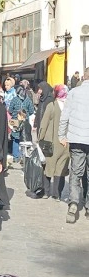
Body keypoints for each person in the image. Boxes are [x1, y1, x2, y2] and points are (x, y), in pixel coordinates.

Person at [59, 67, 89, 223]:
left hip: (77, 138)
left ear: (83, 77)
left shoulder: (73, 93)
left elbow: (65, 116)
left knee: (75, 173)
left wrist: (61, 135)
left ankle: (73, 203)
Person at [39, 85, 70, 202]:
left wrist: (40, 138)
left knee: (48, 167)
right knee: (60, 169)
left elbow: (44, 124)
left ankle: (47, 191)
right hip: (65, 143)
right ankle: (57, 194)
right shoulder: (69, 107)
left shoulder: (51, 106)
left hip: (51, 143)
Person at [8, 86, 34, 161]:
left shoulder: (14, 99)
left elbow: (10, 110)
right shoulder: (28, 100)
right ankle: (24, 156)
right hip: (25, 122)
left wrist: (15, 113)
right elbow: (31, 111)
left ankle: (16, 157)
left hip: (16, 122)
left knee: (15, 139)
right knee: (24, 139)